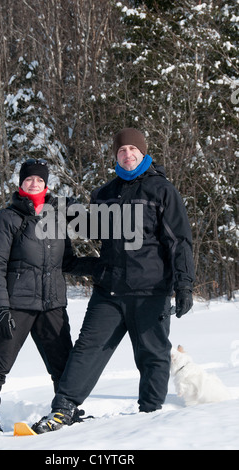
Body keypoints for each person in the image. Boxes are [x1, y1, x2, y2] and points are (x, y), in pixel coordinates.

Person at [31, 128, 195, 434]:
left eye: (133, 149)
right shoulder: (104, 194)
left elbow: (179, 242)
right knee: (87, 350)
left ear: (144, 153)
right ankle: (63, 408)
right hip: (110, 291)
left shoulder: (162, 191)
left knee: (152, 355)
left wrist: (184, 284)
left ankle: (150, 416)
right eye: (122, 150)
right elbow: (89, 228)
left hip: (151, 291)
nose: (127, 154)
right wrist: (60, 211)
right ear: (115, 156)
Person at [0, 158, 97, 432]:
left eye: (40, 180)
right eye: (29, 179)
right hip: (17, 304)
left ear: (47, 184)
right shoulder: (7, 218)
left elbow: (66, 262)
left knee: (63, 366)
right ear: (21, 183)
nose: (34, 183)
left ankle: (67, 413)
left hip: (52, 304)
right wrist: (0, 307)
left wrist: (100, 266)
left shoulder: (55, 218)